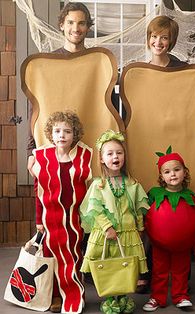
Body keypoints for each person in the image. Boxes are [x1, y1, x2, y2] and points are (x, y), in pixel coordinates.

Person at [136, 15, 187, 294]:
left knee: (172, 211)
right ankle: (146, 270)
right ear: (148, 38)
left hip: (174, 143)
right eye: (154, 36)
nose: (158, 42)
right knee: (147, 211)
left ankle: (178, 272)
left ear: (171, 41)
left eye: (164, 37)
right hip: (145, 142)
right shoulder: (138, 71)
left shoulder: (182, 71)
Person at [79, 130, 149, 314]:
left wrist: (140, 227)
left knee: (126, 267)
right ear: (102, 159)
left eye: (119, 152)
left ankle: (124, 298)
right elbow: (95, 209)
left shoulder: (132, 183)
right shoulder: (99, 185)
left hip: (128, 233)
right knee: (110, 266)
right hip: (107, 234)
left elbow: (137, 208)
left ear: (124, 156)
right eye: (109, 153)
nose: (115, 156)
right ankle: (111, 299)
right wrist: (107, 227)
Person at [32, 111, 92, 313]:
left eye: (67, 131)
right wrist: (39, 219)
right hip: (50, 219)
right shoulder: (43, 158)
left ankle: (75, 293)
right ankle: (55, 295)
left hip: (73, 219)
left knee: (74, 256)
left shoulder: (83, 158)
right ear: (51, 133)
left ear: (74, 134)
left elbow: (88, 189)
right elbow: (38, 192)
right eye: (57, 131)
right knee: (51, 257)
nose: (62, 135)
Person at [27, 2, 93, 174]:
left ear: (88, 27)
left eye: (81, 23)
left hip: (89, 149)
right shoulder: (49, 63)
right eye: (70, 22)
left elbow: (109, 107)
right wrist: (31, 152)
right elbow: (35, 108)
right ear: (62, 25)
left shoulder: (97, 64)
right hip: (52, 150)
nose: (76, 28)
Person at [143, 147, 195, 312]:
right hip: (159, 245)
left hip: (183, 246)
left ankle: (181, 296)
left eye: (177, 170)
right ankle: (157, 297)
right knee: (159, 271)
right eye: (167, 171)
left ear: (185, 172)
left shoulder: (191, 197)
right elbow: (144, 218)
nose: (172, 174)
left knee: (182, 270)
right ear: (161, 176)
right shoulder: (154, 195)